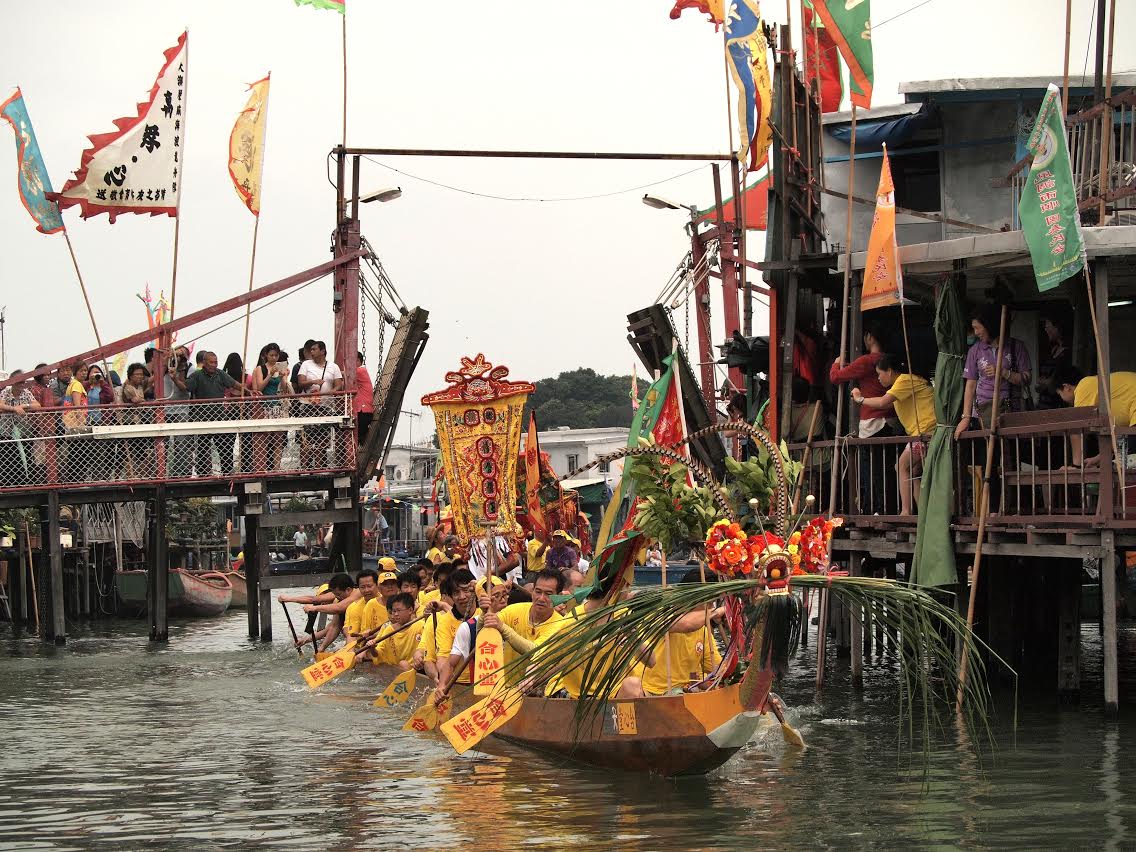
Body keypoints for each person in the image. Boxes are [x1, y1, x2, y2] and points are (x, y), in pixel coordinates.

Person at [852, 355, 936, 517]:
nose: (878, 378)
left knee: (902, 466)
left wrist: (860, 399)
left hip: (926, 431)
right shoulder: (903, 385)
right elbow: (886, 402)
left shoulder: (904, 380)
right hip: (923, 432)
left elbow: (883, 402)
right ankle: (923, 513)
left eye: (879, 373)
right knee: (912, 471)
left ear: (889, 371)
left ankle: (906, 512)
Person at [642, 568, 726, 696]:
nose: (711, 607)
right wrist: (716, 612)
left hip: (685, 693)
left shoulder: (703, 630)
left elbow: (718, 668)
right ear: (692, 599)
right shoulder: (662, 615)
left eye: (713, 603)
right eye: (709, 602)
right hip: (652, 693)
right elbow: (686, 624)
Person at [956, 304, 1033, 439]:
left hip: (1011, 412)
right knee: (987, 457)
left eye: (977, 327)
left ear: (988, 326)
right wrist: (966, 417)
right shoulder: (975, 350)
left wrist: (1003, 373)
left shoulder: (1016, 347)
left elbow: (1027, 378)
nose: (975, 333)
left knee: (1011, 456)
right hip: (983, 414)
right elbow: (970, 385)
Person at [1053, 366, 1136, 466]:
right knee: (1126, 460)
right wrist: (1097, 459)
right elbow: (1119, 441)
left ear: (1066, 387)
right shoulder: (1094, 387)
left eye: (1059, 394)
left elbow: (1077, 429)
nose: (1062, 399)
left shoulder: (1083, 387)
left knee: (1127, 464)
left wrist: (1077, 467)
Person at [414, 567, 478, 690]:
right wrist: (443, 680)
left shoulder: (486, 612)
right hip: (456, 682)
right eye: (456, 593)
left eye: (466, 590)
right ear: (450, 597)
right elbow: (442, 658)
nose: (462, 596)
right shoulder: (443, 621)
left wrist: (480, 586)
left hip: (484, 679)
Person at [186, 351, 241, 476]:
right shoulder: (197, 375)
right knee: (202, 448)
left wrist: (248, 391)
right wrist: (174, 378)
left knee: (224, 446)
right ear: (204, 363)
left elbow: (234, 384)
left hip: (218, 417)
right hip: (202, 418)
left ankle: (227, 471)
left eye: (216, 362)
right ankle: (202, 473)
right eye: (211, 362)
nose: (214, 364)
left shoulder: (220, 373)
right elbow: (186, 387)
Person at [296, 340, 345, 469]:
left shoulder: (333, 367)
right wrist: (313, 382)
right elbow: (300, 382)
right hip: (307, 405)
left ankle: (318, 466)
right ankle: (304, 467)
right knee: (306, 438)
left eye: (314, 349)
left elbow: (338, 384)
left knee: (322, 438)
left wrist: (329, 392)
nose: (311, 352)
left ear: (322, 351)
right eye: (311, 350)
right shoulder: (306, 364)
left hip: (325, 406)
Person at [250, 342, 291, 470]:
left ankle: (276, 467)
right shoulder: (259, 369)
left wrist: (283, 377)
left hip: (277, 406)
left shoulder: (280, 368)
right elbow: (259, 387)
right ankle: (262, 467)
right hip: (264, 407)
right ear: (266, 355)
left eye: (276, 355)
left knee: (278, 439)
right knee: (264, 439)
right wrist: (269, 374)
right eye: (271, 355)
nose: (274, 358)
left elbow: (284, 389)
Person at [293, 573, 357, 651]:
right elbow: (332, 628)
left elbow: (314, 600)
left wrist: (314, 608)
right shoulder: (338, 600)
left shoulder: (350, 600)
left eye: (338, 594)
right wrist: (307, 640)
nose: (336, 597)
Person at [0, 370, 42, 486]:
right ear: (12, 382)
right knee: (8, 458)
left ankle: (27, 482)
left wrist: (24, 406)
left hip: (24, 431)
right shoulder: (6, 392)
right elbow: (0, 404)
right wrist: (14, 409)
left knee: (27, 456)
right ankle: (8, 484)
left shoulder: (26, 392)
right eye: (19, 382)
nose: (22, 384)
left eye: (23, 382)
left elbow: (37, 405)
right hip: (7, 431)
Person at [367, 593, 423, 669]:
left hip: (416, 668)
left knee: (404, 664)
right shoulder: (389, 629)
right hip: (395, 669)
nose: (395, 614)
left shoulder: (420, 626)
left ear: (410, 610)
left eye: (399, 610)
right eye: (393, 611)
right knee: (403, 664)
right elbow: (378, 654)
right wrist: (372, 648)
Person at [355, 350, 374, 446]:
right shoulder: (362, 371)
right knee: (357, 438)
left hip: (363, 410)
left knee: (355, 437)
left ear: (358, 360)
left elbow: (345, 374)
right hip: (365, 410)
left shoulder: (360, 370)